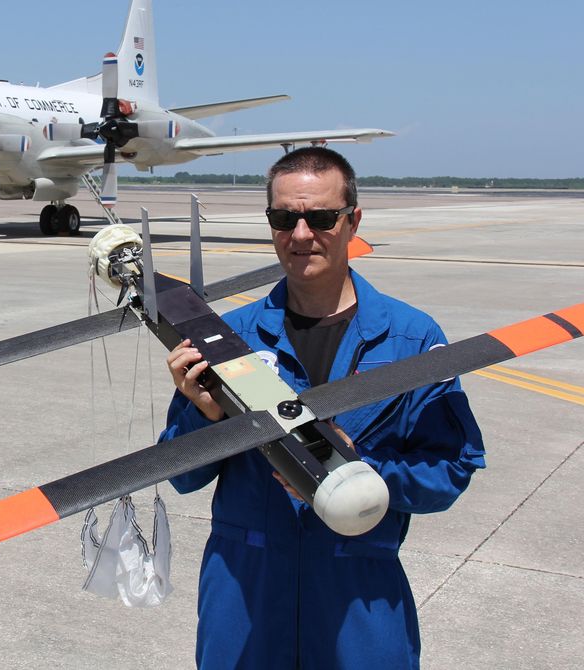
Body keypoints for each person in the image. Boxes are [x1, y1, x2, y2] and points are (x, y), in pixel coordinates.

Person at [160, 147, 486, 669]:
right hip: (246, 595)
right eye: (284, 218)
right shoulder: (229, 338)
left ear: (353, 220)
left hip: (358, 593)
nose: (301, 234)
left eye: (321, 217)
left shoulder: (410, 338)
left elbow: (450, 469)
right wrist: (203, 415)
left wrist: (365, 475)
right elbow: (180, 477)